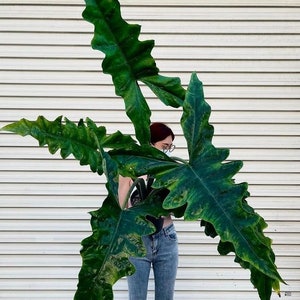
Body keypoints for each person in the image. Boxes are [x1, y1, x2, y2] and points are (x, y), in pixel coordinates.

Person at [118, 122, 178, 300]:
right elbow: (122, 206)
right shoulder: (129, 169)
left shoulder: (170, 169)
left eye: (170, 147)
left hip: (166, 237)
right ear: (151, 144)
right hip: (138, 239)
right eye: (164, 146)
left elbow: (176, 205)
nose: (167, 152)